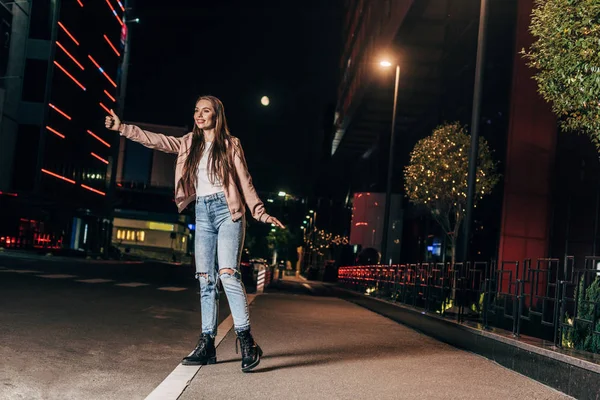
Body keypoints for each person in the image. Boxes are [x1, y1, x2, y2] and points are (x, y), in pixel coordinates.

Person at [105, 95, 284, 372]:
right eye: (196, 111)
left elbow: (245, 181)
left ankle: (246, 341)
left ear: (217, 115)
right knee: (205, 280)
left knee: (228, 274)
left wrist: (259, 212)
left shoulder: (230, 144)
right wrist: (122, 128)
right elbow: (157, 140)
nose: (199, 115)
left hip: (228, 213)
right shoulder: (188, 143)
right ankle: (207, 344)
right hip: (202, 211)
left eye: (206, 111)